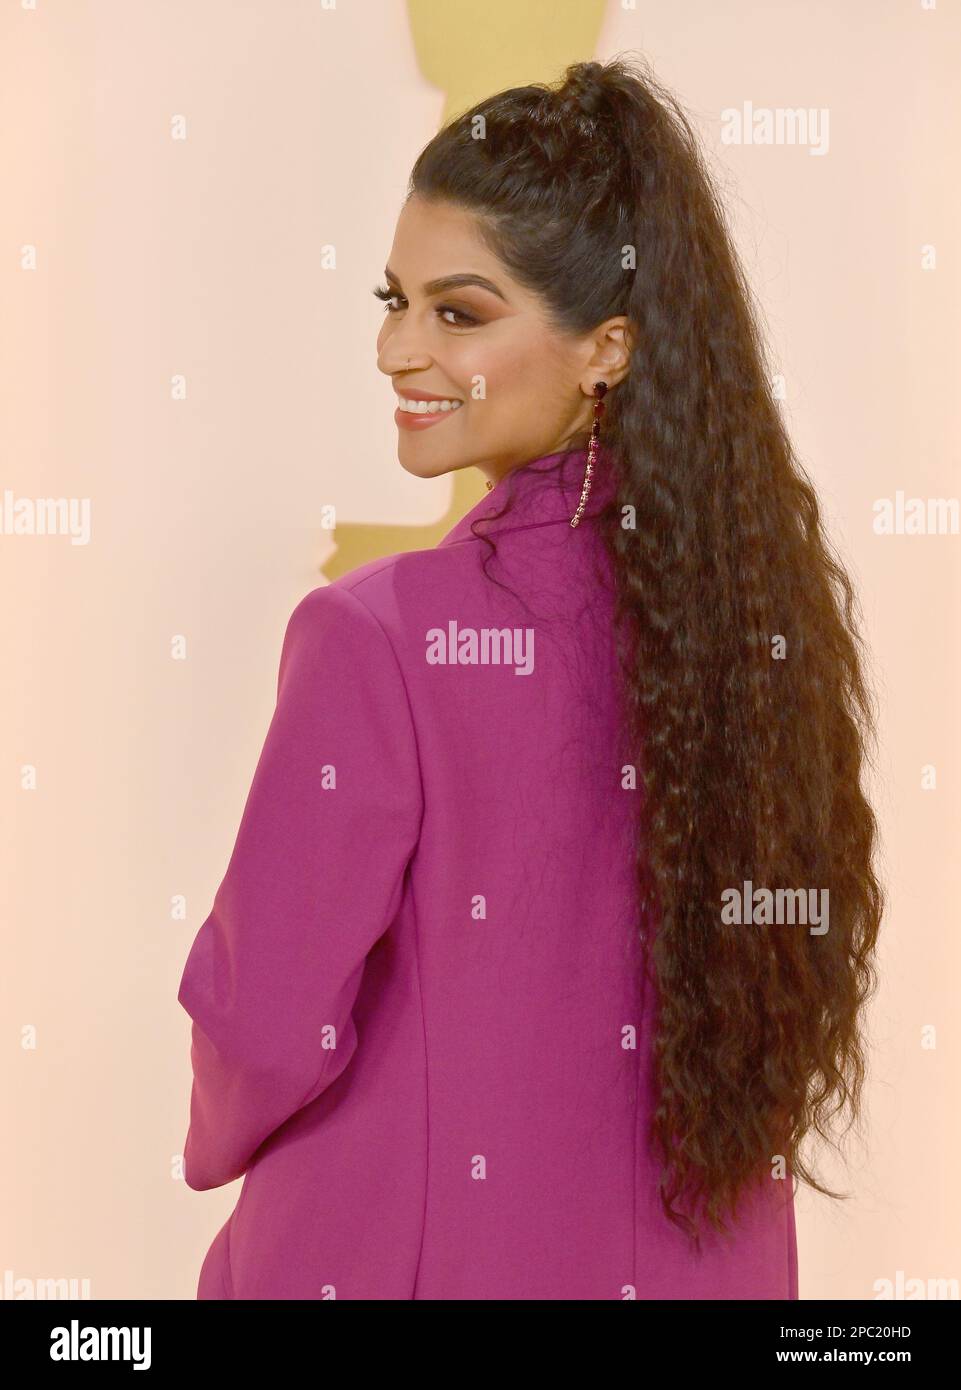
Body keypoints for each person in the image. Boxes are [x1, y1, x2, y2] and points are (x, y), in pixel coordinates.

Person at [177, 55, 883, 1300]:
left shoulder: (377, 637)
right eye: (392, 300)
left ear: (606, 346)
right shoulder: (752, 630)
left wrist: (223, 1140)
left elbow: (264, 1019)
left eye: (460, 313)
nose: (398, 350)